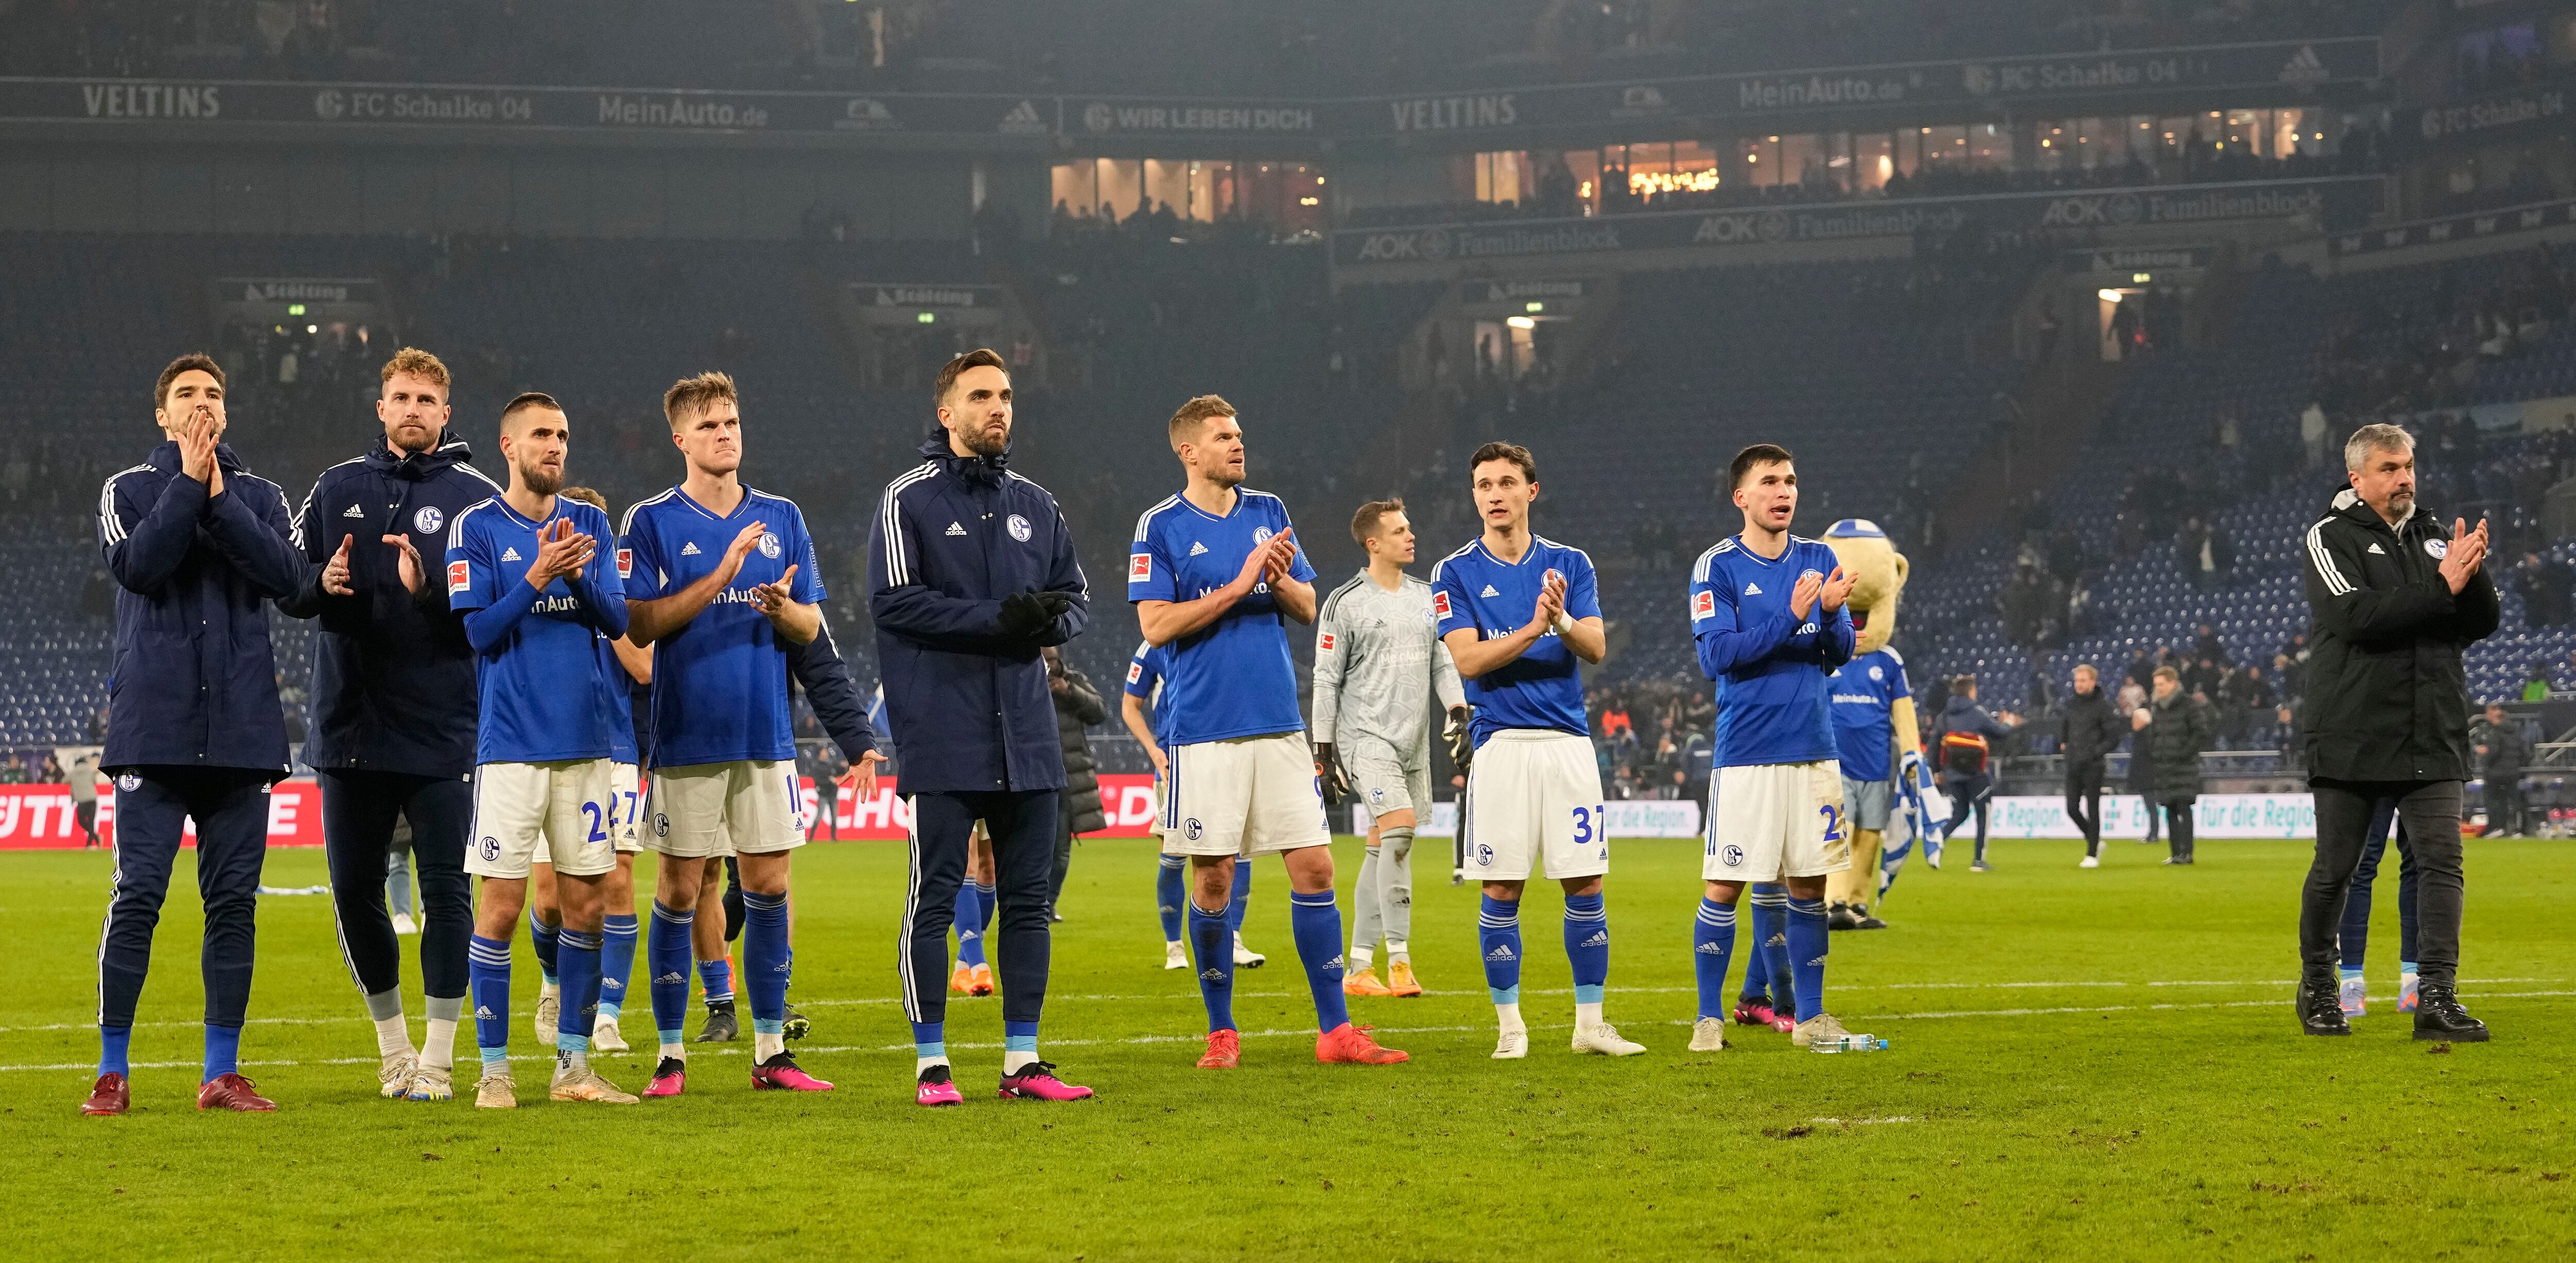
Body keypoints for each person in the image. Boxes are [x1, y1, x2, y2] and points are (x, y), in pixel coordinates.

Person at [1135, 394, 1404, 1069]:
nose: (1238, 445)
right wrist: (1239, 583)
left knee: (1314, 866)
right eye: (1224, 437)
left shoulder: (1270, 512)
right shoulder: (1159, 526)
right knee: (1216, 881)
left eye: (1241, 435)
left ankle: (1336, 1031)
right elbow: (1156, 626)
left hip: (1279, 720)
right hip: (1204, 729)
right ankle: (1222, 1032)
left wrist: (1278, 581)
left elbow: (1311, 607)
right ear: (1188, 450)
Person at [84, 352, 308, 1117]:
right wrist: (190, 483)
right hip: (153, 729)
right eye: (186, 394)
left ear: (227, 409)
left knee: (233, 905)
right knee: (139, 894)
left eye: (213, 393)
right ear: (162, 414)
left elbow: (290, 578)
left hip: (244, 730)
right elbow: (141, 566)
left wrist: (220, 495)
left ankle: (222, 1071)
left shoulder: (265, 497)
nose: (202, 403)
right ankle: (113, 1069)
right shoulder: (129, 490)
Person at [871, 348, 1094, 1105]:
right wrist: (1000, 618)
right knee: (935, 899)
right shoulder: (908, 500)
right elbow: (895, 604)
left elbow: (1077, 597)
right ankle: (932, 1063)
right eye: (980, 396)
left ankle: (1021, 1062)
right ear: (947, 413)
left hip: (1029, 734)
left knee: (1028, 903)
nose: (998, 408)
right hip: (945, 730)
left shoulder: (1039, 503)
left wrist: (1050, 618)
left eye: (1004, 395)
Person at [278, 346, 498, 1104]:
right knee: (354, 892)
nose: (411, 410)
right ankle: (394, 1050)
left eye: (425, 400)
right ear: (381, 408)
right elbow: (288, 582)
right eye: (399, 397)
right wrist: (321, 581)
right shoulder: (336, 486)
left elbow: (491, 616)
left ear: (446, 413)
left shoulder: (477, 499)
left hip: (442, 728)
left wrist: (431, 590)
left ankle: (438, 1060)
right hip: (352, 726)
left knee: (448, 893)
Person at [623, 371, 837, 1096]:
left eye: (733, 422)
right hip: (685, 736)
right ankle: (671, 1054)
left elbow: (812, 626)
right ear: (681, 439)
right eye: (711, 425)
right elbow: (641, 622)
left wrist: (782, 608)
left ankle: (772, 1052)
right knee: (681, 890)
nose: (726, 434)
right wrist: (724, 573)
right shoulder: (651, 520)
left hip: (765, 736)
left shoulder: (784, 515)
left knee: (770, 884)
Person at [444, 392, 635, 1108]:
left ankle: (574, 1069)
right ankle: (494, 1071)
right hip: (513, 749)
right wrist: (538, 575)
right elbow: (478, 634)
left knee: (586, 906)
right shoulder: (477, 529)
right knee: (499, 905)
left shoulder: (590, 523)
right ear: (508, 446)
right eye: (541, 436)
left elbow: (617, 620)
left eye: (562, 435)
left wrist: (579, 574)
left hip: (586, 744)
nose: (554, 447)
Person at [2296, 422, 2498, 1040]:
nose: (2404, 478)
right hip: (2351, 731)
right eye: (2388, 468)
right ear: (2356, 478)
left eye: (2408, 465)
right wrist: (2441, 589)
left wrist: (2472, 572)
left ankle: (2435, 995)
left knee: (2441, 862)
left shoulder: (2436, 536)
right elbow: (2353, 616)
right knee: (2336, 867)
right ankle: (2319, 988)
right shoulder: (2328, 537)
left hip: (2431, 728)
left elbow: (2481, 621)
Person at [1435, 442, 1636, 1060]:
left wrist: (1564, 623)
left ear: (1531, 491)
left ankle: (1589, 1024)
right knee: (1500, 888)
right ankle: (1510, 1027)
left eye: (1505, 483)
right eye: (1482, 485)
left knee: (1585, 882)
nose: (1493, 494)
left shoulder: (1569, 564)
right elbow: (1466, 659)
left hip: (1568, 744)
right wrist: (1534, 628)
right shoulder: (1455, 571)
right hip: (1500, 745)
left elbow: (1596, 647)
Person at [1683, 443, 1860, 1053]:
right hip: (1747, 753)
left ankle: (1809, 1019)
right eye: (1769, 482)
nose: (1783, 492)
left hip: (1813, 748)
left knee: (1809, 886)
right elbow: (1716, 656)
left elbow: (1838, 653)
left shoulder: (1818, 557)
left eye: (1789, 481)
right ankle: (1708, 1018)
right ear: (1741, 497)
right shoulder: (1717, 567)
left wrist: (1833, 617)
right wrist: (1791, 617)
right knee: (1724, 884)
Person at [519, 485, 654, 1062]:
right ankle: (553, 984)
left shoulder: (609, 599)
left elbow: (646, 669)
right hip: (547, 746)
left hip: (614, 748)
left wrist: (602, 613)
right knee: (549, 897)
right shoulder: (535, 592)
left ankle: (606, 1015)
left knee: (617, 882)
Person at [1314, 498, 1467, 999]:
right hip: (1364, 738)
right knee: (1399, 831)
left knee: (1384, 844)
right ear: (1372, 542)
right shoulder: (1344, 601)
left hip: (1412, 742)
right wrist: (1324, 749)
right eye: (1399, 530)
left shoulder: (1428, 597)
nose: (1411, 536)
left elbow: (1442, 663)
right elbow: (1325, 680)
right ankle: (1399, 958)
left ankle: (1359, 965)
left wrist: (1458, 711)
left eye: (1410, 526)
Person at [1123, 638, 1266, 972]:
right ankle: (1174, 947)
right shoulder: (1154, 644)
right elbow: (1130, 705)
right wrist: (1154, 751)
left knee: (1237, 852)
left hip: (1227, 757)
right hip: (1175, 763)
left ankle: (1232, 939)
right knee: (1173, 855)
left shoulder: (1226, 635)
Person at [1817, 520, 1921, 931]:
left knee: (1871, 835)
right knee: (1837, 835)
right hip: (1834, 764)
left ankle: (1858, 904)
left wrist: (1912, 752)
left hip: (1877, 765)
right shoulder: (1824, 653)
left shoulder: (1890, 662)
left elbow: (1905, 713)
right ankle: (1833, 902)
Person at [2337, 799, 2420, 1018]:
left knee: (2423, 863)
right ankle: (2351, 986)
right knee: (2360, 863)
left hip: (2421, 772)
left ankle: (2415, 984)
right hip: (2373, 770)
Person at [1044, 645, 1108, 920]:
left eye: (1051, 659)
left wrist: (1068, 691)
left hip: (1067, 781)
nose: (1047, 665)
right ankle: (1029, 905)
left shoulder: (1074, 681)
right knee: (1031, 851)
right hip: (1033, 779)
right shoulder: (1021, 682)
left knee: (1059, 853)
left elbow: (1100, 712)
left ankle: (1048, 905)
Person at [1933, 675, 2020, 871]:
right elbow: (2000, 733)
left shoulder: (1944, 716)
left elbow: (1934, 746)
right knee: (1983, 813)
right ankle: (1978, 860)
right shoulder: (1977, 713)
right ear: (1972, 692)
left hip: (1952, 775)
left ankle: (1936, 843)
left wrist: (1937, 771)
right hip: (1974, 775)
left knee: (1959, 813)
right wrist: (2009, 723)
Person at [2130, 666, 2212, 865]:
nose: (2158, 688)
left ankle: (2187, 853)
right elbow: (2153, 734)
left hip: (2183, 766)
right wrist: (2157, 753)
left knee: (2184, 808)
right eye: (2156, 685)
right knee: (2170, 809)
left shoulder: (2189, 705)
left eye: (2162, 684)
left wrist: (2185, 754)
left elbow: (2200, 732)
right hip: (2164, 766)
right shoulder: (2157, 707)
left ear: (2173, 683)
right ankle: (2176, 853)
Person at [2060, 662, 2126, 867]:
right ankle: (2094, 840)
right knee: (2071, 809)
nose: (2078, 685)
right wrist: (2065, 745)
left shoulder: (2104, 707)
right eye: (2077, 681)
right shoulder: (2070, 705)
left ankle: (2091, 854)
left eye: (2082, 681)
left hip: (2093, 765)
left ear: (2093, 682)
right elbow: (2064, 728)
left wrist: (2095, 753)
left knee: (2093, 809)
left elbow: (2114, 737)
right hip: (2073, 763)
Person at [2473, 703, 2528, 836]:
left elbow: (2493, 751)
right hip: (2513, 771)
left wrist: (2484, 758)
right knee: (2515, 801)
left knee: (2495, 801)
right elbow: (2525, 752)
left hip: (2495, 773)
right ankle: (2518, 830)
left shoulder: (2496, 732)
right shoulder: (2516, 731)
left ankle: (2498, 828)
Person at [68, 749, 100, 849]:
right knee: (91, 822)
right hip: (92, 798)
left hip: (82, 800)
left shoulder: (73, 772)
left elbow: (64, 780)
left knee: (81, 821)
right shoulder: (90, 770)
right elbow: (94, 781)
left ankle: (91, 841)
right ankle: (93, 839)